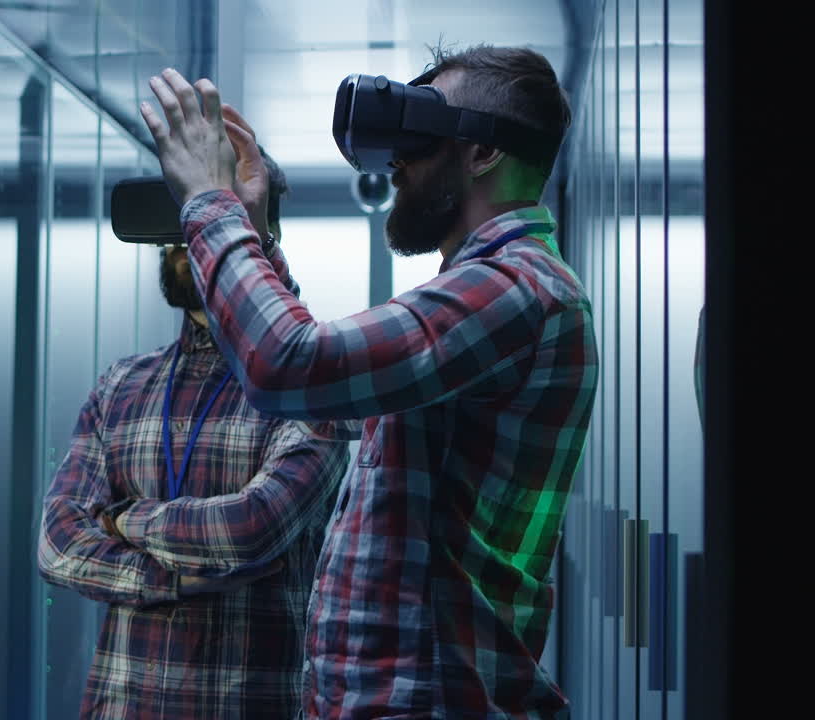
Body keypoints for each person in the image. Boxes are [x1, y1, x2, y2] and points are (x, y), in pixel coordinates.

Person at [139, 45, 599, 718]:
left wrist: (210, 203)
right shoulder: (485, 292)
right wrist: (258, 233)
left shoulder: (517, 290)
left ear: (481, 153)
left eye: (419, 136)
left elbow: (286, 363)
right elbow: (326, 387)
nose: (397, 162)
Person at [36, 149, 351, 719]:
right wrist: (171, 580)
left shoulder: (310, 384)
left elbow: (250, 530)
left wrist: (124, 520)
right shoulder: (121, 386)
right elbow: (58, 543)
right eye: (183, 210)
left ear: (257, 232)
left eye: (211, 211)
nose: (187, 233)